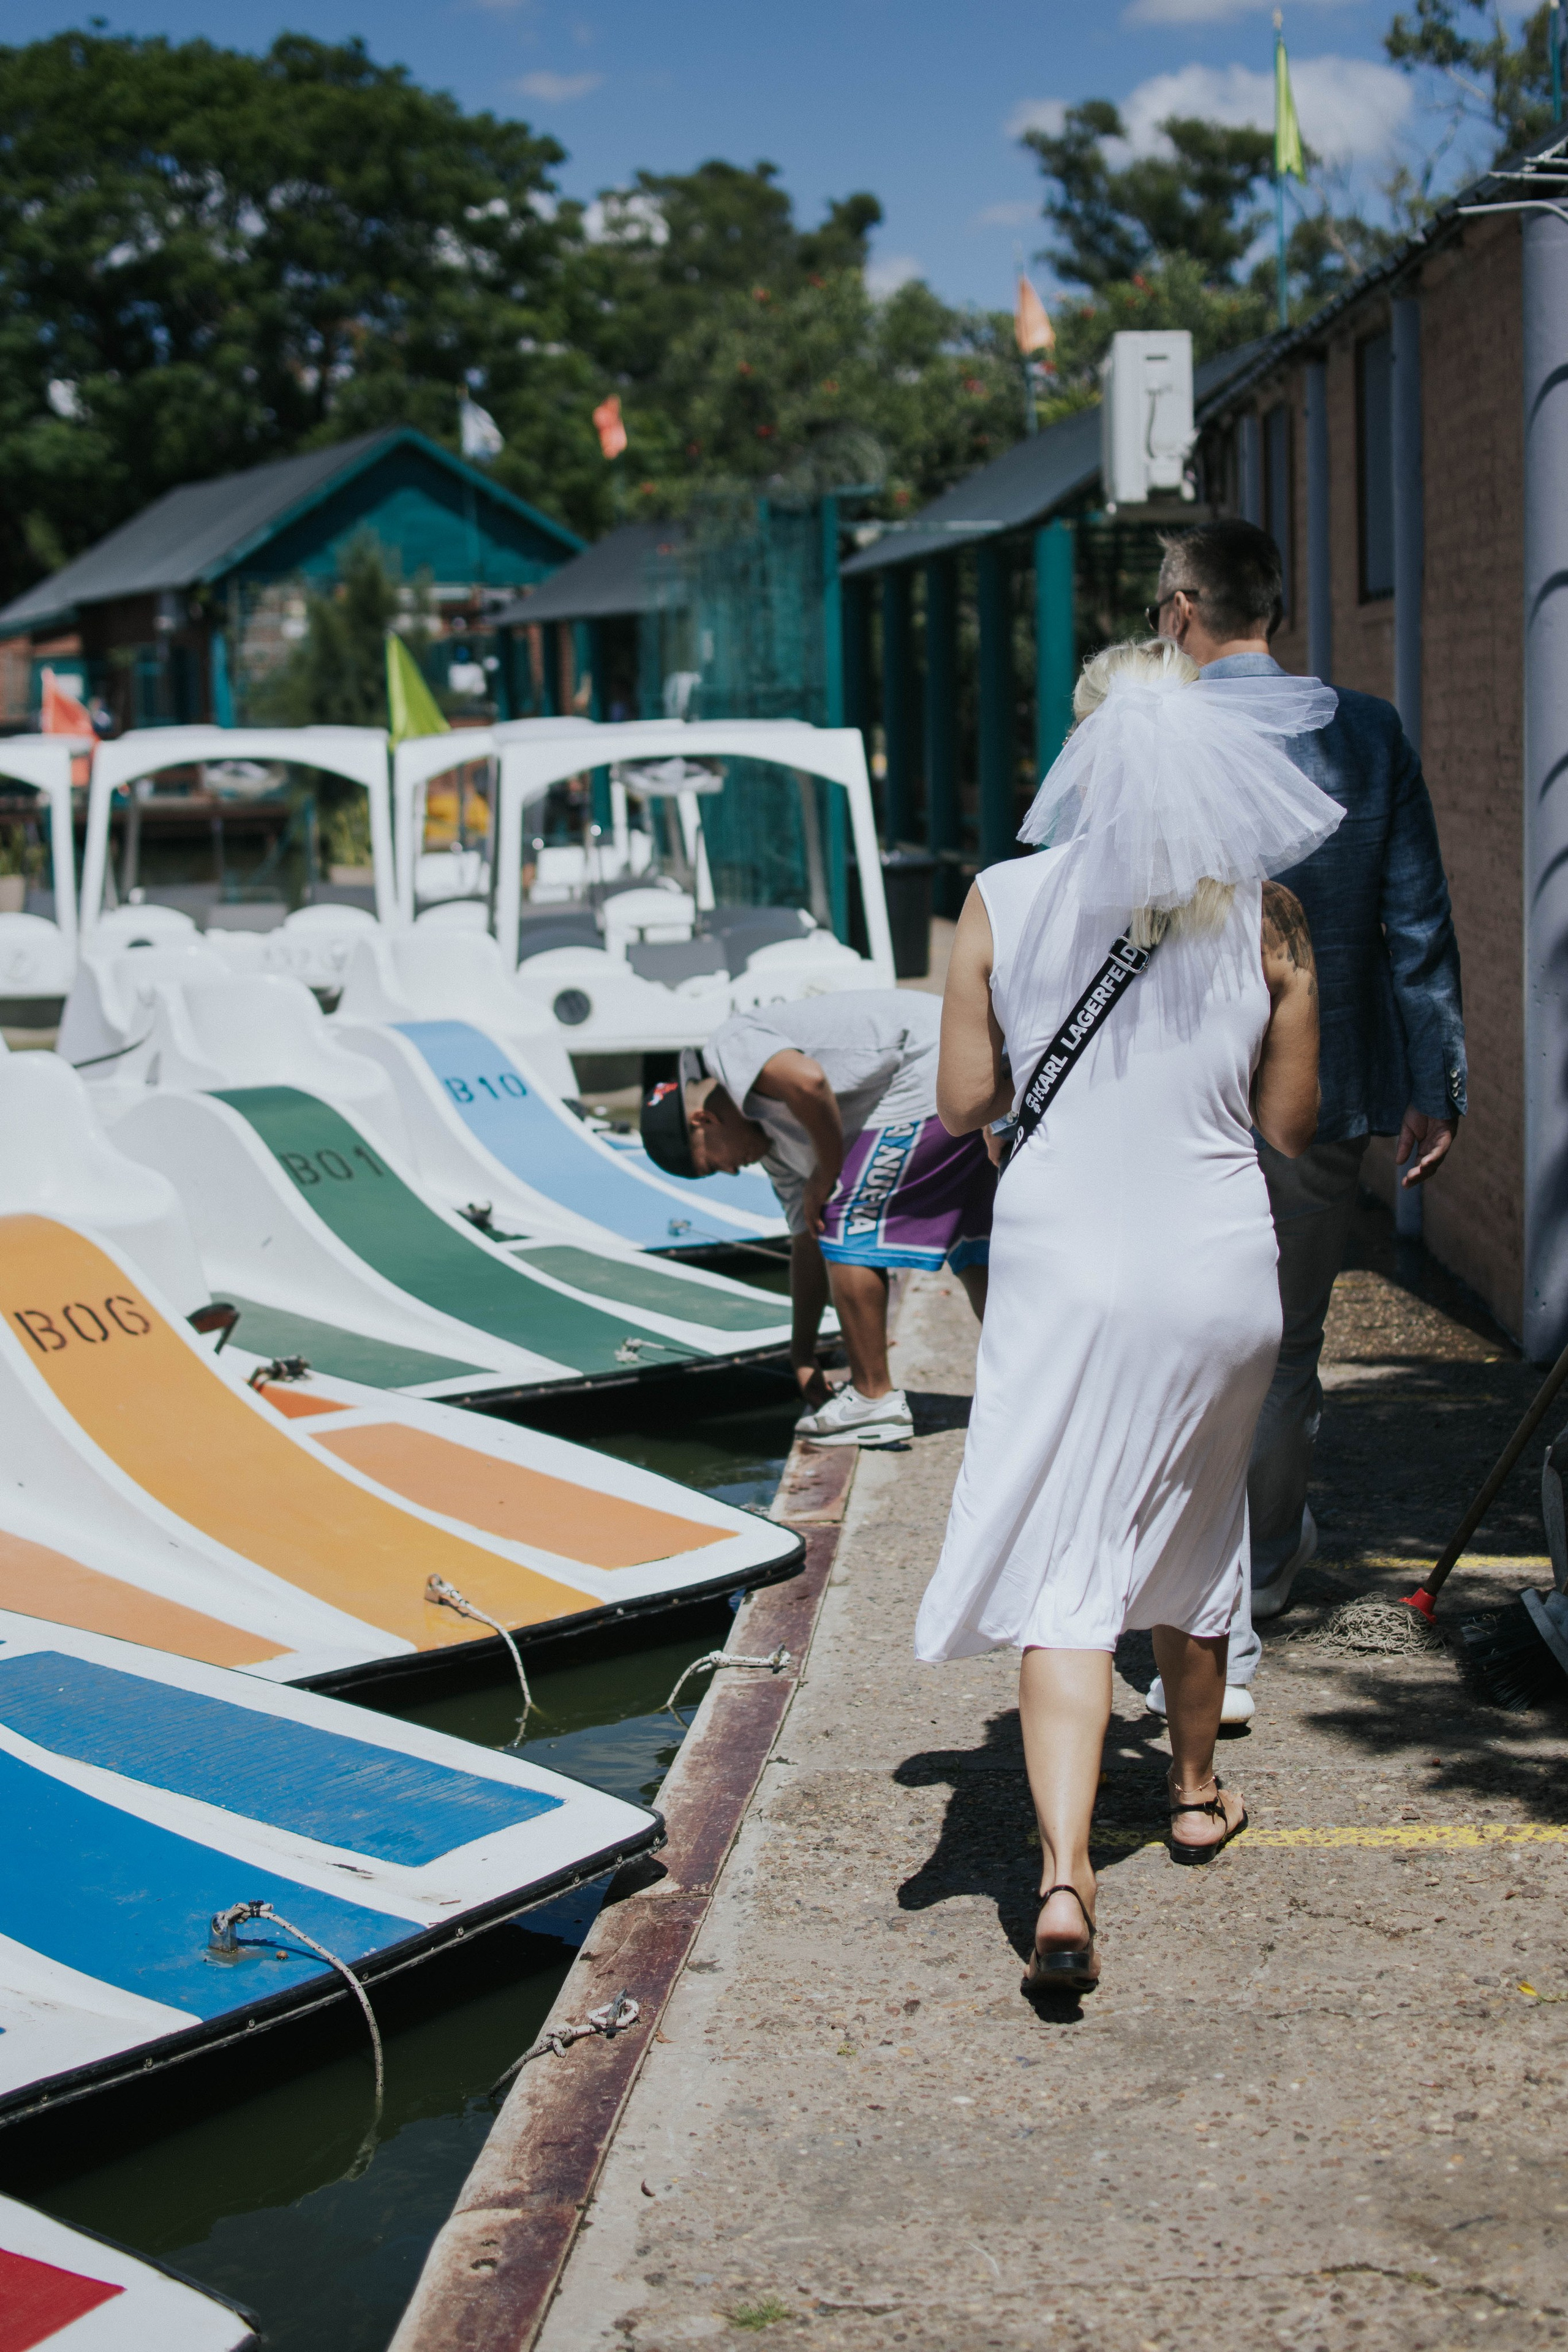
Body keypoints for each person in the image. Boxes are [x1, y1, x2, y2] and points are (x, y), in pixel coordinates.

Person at [917, 638, 1339, 1991]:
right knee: (1197, 1516)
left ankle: (1058, 1875)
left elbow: (965, 1106)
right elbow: (1286, 1127)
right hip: (1216, 1267)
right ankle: (1196, 1793)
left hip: (1061, 1266)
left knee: (1068, 1560)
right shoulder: (1266, 918)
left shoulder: (999, 897)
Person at [1148, 521, 1466, 1721]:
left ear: (1182, 609)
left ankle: (1188, 1577)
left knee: (1180, 1339)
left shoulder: (1151, 736)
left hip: (1172, 1090)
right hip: (1317, 1089)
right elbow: (1413, 920)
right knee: (1280, 1345)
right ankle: (1266, 1565)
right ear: (1272, 607)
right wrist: (1430, 1077)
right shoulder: (1367, 730)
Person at [639, 993, 993, 1446]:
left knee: (847, 1214)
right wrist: (801, 1351)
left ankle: (871, 1402)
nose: (731, 1172)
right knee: (975, 1248)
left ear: (704, 1119)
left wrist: (826, 1174)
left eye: (714, 1163)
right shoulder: (778, 1157)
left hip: (938, 1053)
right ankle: (1028, 1382)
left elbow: (808, 1082)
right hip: (950, 1064)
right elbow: (808, 1240)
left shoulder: (727, 1047)